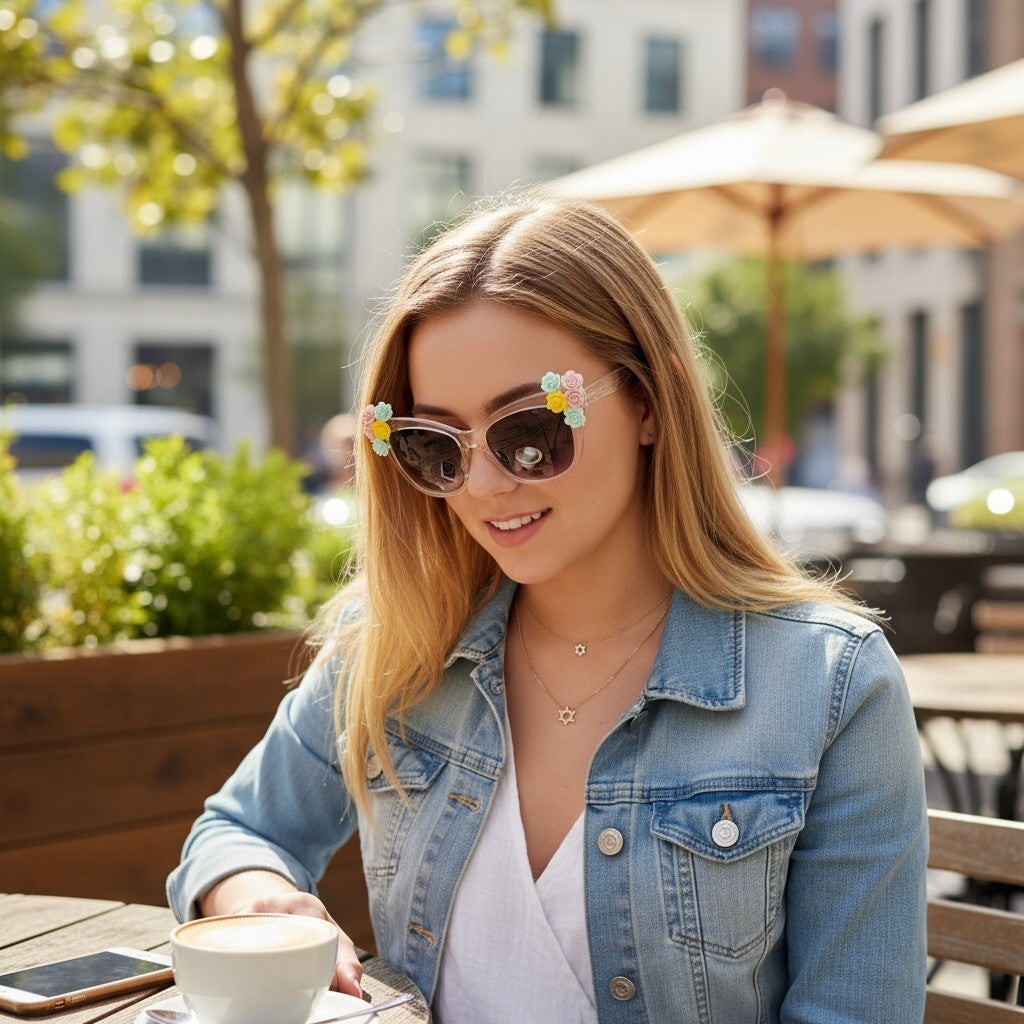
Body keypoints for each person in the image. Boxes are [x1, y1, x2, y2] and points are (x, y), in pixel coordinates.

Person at [167, 195, 928, 1024]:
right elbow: (236, 830)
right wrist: (262, 896)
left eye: (530, 431)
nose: (487, 484)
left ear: (648, 399)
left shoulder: (831, 687)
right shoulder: (392, 643)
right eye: (436, 445)